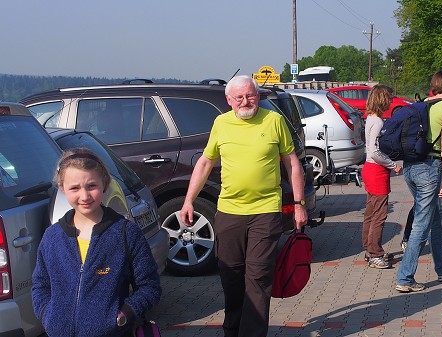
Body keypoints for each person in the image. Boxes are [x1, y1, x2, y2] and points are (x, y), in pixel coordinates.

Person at [180, 75, 307, 337]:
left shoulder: (274, 120)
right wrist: (188, 200)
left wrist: (299, 203)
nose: (246, 101)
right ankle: (233, 329)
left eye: (251, 95)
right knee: (231, 276)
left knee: (258, 278)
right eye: (239, 97)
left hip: (265, 211)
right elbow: (205, 163)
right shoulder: (221, 123)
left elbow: (292, 163)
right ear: (229, 101)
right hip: (229, 212)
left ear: (258, 96)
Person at [31, 148, 161, 337]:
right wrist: (48, 316)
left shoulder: (125, 233)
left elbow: (150, 287)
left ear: (104, 183)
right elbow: (40, 286)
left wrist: (125, 314)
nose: (84, 196)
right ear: (61, 188)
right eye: (74, 188)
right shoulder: (52, 237)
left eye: (91, 186)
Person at [395, 69, 442, 293]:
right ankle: (405, 277)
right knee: (421, 226)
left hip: (410, 168)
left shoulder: (421, 105)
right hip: (430, 169)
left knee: (431, 220)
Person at [361, 84, 401, 269]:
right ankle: (375, 252)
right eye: (389, 98)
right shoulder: (377, 122)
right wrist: (393, 165)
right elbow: (375, 151)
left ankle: (369, 248)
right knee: (380, 214)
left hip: (369, 168)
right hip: (376, 171)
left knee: (371, 213)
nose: (392, 101)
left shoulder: (370, 118)